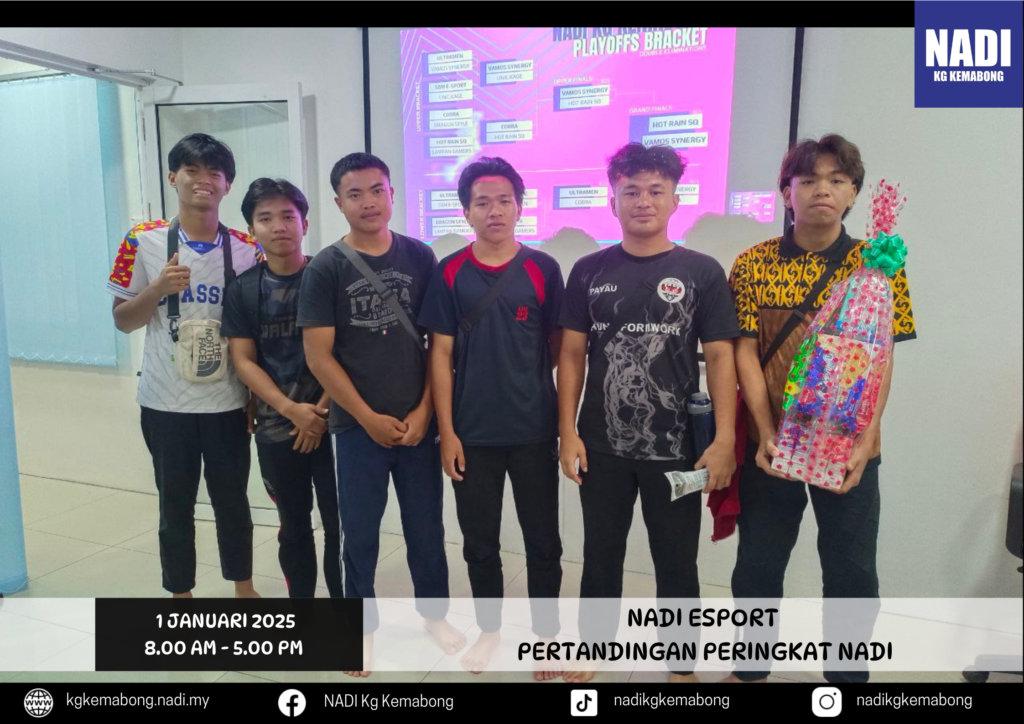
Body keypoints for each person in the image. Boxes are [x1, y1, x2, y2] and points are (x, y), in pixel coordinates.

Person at [724, 134, 916, 684]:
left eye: (836, 180)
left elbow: (881, 358)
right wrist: (765, 431)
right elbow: (745, 354)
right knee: (758, 564)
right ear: (787, 192)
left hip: (847, 446)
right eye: (807, 180)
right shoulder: (753, 263)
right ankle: (750, 669)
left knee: (852, 570)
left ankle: (848, 677)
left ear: (854, 193)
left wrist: (866, 439)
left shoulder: (877, 264)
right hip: (772, 443)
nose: (821, 190)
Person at [558, 142, 740, 683]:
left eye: (656, 190)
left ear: (675, 199)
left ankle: (681, 665)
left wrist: (724, 439)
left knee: (677, 559)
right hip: (602, 444)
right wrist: (567, 432)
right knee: (601, 553)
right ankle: (593, 647)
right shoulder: (588, 271)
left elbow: (722, 357)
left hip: (679, 449)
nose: (643, 201)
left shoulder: (702, 271)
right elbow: (571, 355)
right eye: (631, 191)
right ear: (611, 201)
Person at [298, 152, 465, 677]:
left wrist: (424, 411)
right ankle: (360, 630)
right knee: (360, 535)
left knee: (426, 529)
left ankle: (434, 616)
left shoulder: (420, 256)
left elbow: (439, 344)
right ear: (338, 203)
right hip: (356, 429)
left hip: (418, 426)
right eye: (355, 194)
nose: (368, 202)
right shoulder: (326, 267)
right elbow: (319, 357)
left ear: (392, 194)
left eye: (377, 190)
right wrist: (367, 417)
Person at [420, 157, 565, 678]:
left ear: (520, 207)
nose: (495, 210)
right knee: (479, 542)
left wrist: (523, 383)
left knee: (543, 541)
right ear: (466, 212)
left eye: (505, 200)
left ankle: (546, 635)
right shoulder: (450, 271)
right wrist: (447, 431)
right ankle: (490, 629)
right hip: (471, 433)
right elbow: (440, 355)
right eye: (482, 202)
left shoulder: (543, 269)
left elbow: (557, 347)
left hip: (533, 431)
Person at [107, 133, 262, 598]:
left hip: (227, 401)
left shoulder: (248, 248)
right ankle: (181, 595)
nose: (203, 180)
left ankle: (244, 588)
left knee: (233, 503)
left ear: (227, 185)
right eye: (192, 170)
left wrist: (254, 396)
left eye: (215, 172)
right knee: (174, 507)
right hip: (164, 402)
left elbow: (255, 332)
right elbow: (122, 321)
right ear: (173, 177)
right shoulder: (142, 240)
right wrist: (156, 289)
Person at [222, 177, 342, 599]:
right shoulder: (243, 289)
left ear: (305, 224)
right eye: (266, 218)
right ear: (251, 229)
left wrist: (319, 413)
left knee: (341, 525)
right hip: (278, 428)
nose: (278, 227)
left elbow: (348, 352)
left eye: (288, 216)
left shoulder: (329, 278)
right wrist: (293, 411)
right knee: (293, 527)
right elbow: (243, 361)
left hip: (337, 424)